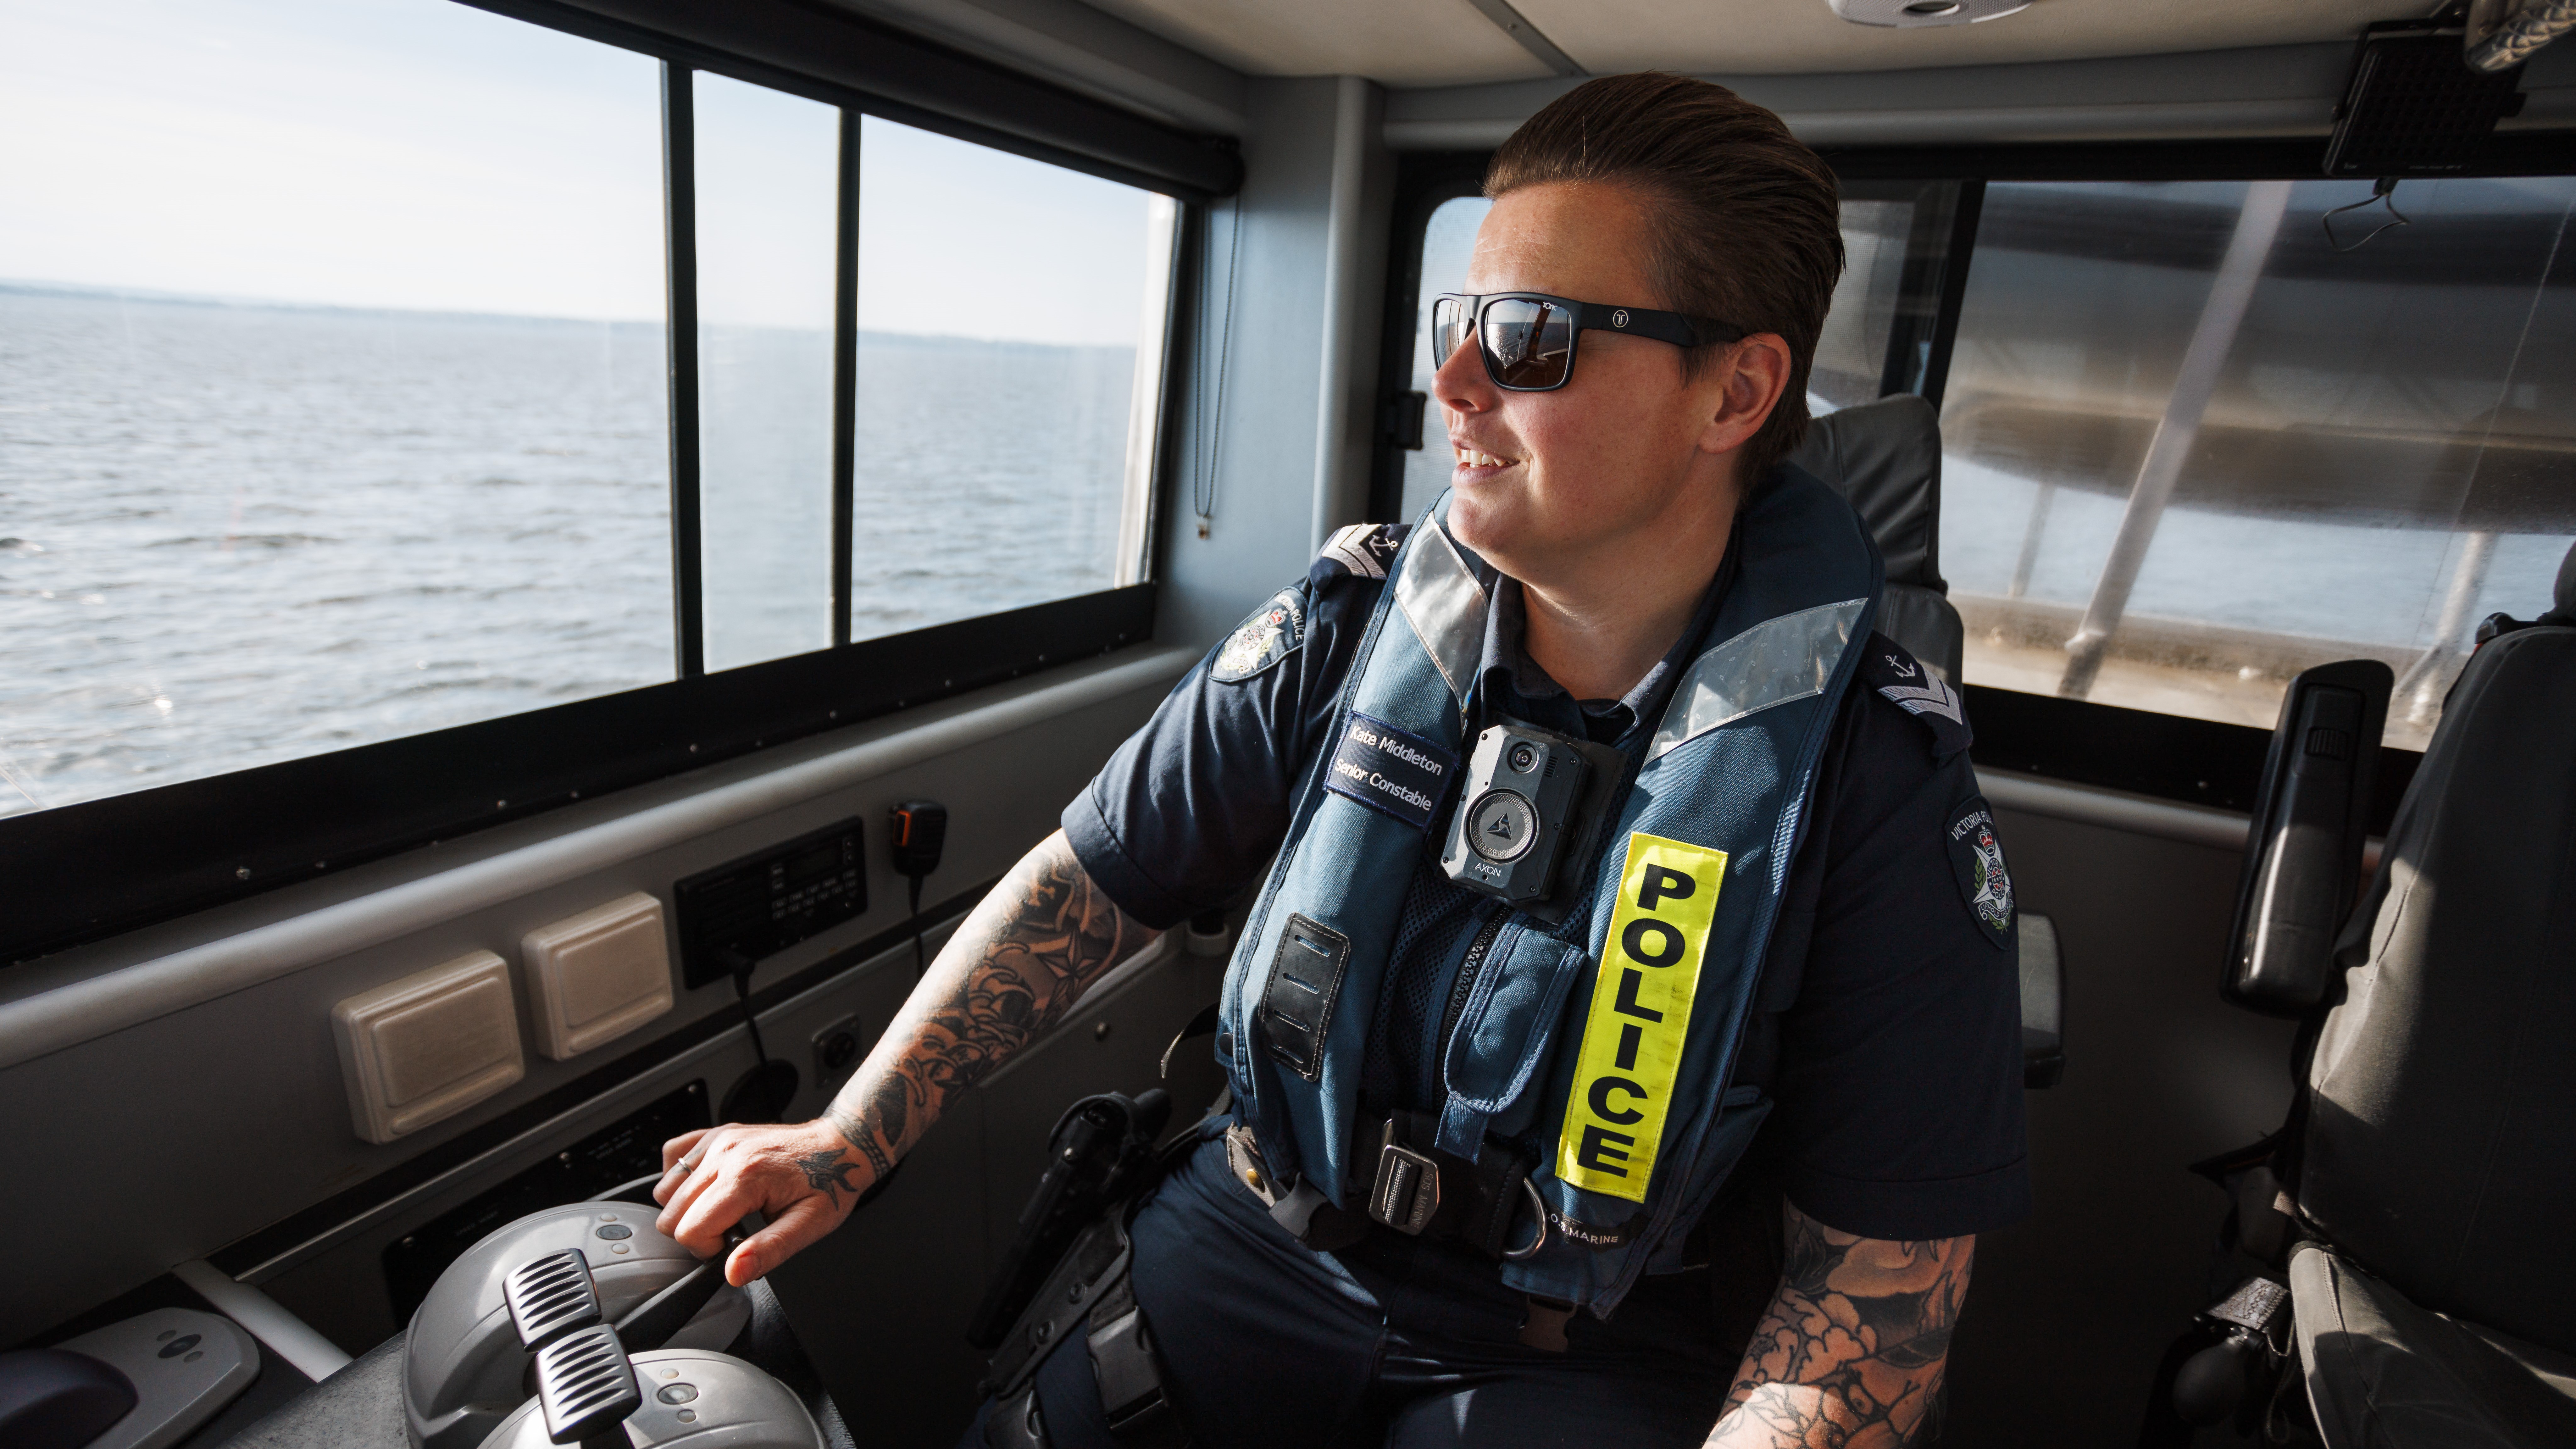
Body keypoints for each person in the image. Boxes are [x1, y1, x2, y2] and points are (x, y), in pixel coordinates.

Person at [651, 72, 2028, 1448]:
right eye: (1458, 324)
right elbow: (1091, 883)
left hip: (1587, 1347)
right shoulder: (1353, 629)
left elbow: (1873, 1300)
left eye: (1531, 337)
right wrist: (849, 1135)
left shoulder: (1873, 782)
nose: (1454, 383)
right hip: (1255, 1236)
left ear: (1734, 390)